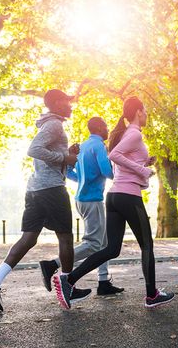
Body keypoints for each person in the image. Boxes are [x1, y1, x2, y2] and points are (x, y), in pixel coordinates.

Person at [53, 96, 174, 309]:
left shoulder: (127, 134)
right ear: (138, 112)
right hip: (128, 196)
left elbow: (120, 161)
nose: (146, 115)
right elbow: (115, 155)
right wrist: (143, 170)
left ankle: (69, 280)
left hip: (114, 196)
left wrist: (143, 162)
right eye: (144, 111)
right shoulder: (134, 133)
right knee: (147, 245)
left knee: (112, 249)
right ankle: (152, 295)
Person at [0, 89, 90, 312]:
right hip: (51, 190)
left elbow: (48, 156)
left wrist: (67, 153)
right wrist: (64, 157)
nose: (71, 105)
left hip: (35, 189)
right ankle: (67, 286)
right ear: (57, 103)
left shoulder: (50, 124)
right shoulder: (54, 124)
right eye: (67, 101)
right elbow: (34, 150)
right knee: (66, 237)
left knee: (28, 239)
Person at [39, 117, 124, 296]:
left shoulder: (83, 146)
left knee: (104, 243)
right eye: (106, 127)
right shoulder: (99, 145)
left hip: (81, 199)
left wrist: (85, 180)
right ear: (100, 128)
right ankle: (52, 264)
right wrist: (125, 173)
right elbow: (107, 171)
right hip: (92, 199)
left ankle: (103, 282)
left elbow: (71, 172)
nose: (108, 130)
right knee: (94, 244)